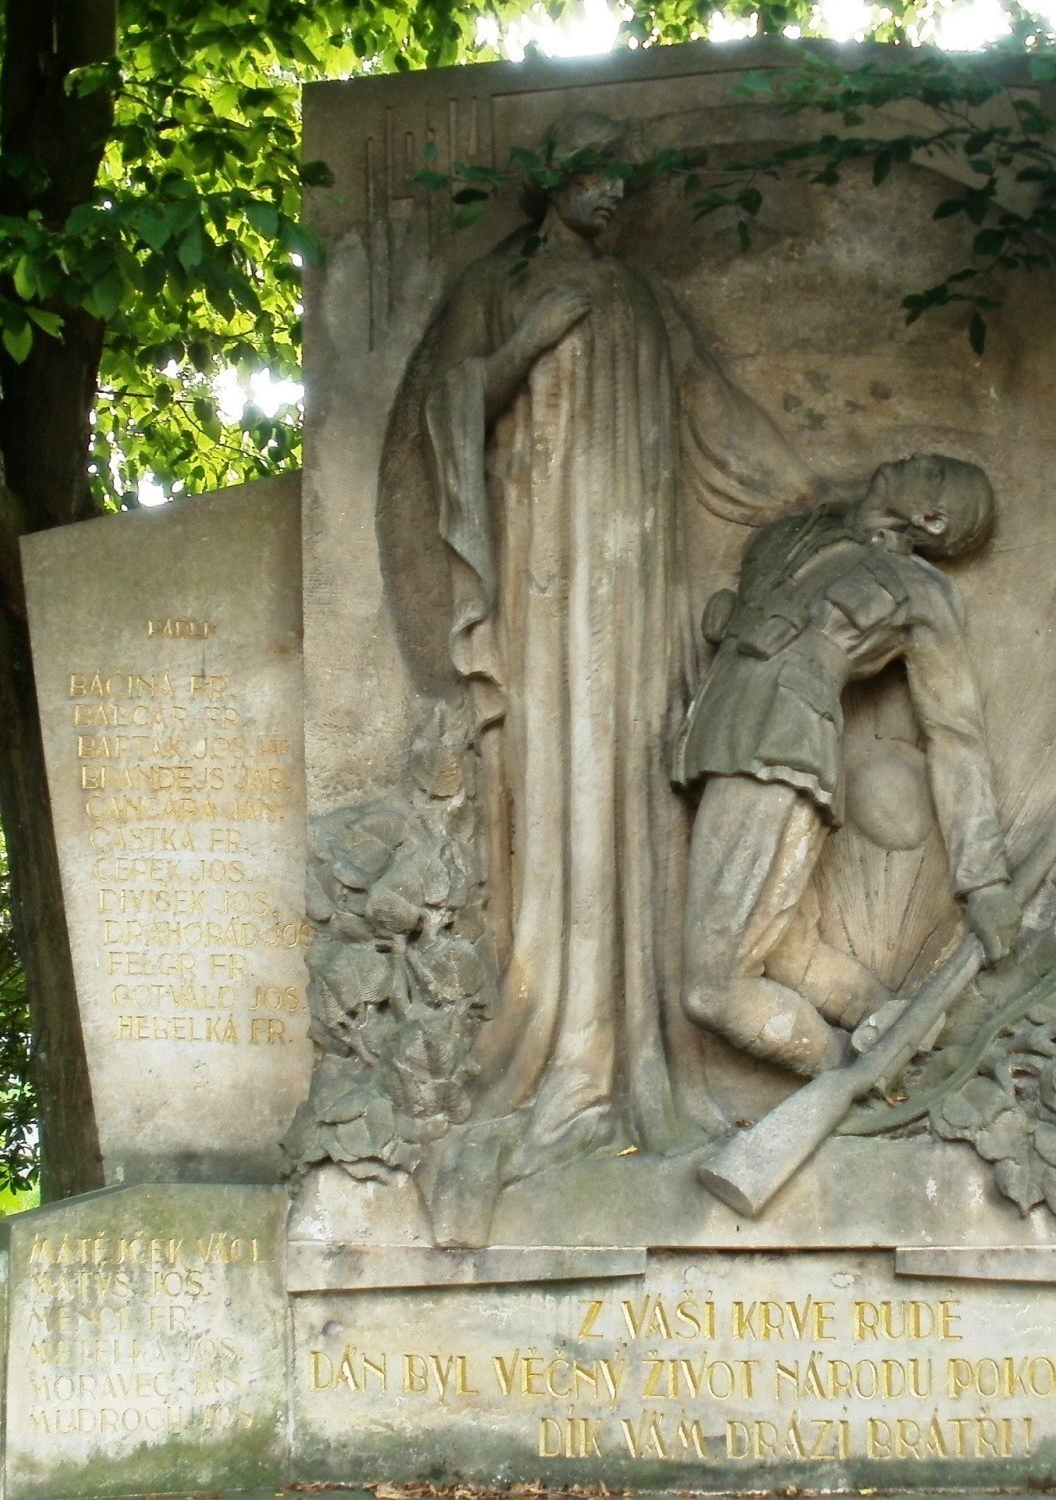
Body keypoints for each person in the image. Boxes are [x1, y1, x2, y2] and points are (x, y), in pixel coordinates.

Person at [378, 113, 827, 1178]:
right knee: (557, 780)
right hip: (543, 574)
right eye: (596, 176)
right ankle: (557, 1050)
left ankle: (636, 1059)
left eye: (624, 180)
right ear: (553, 184)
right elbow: (452, 404)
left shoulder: (643, 301)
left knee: (633, 786)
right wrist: (527, 342)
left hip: (633, 589)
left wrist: (813, 500)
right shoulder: (496, 284)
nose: (613, 195)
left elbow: (715, 423)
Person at [674, 453, 1021, 1077]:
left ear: (932, 520)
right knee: (784, 952)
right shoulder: (794, 535)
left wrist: (985, 882)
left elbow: (955, 733)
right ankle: (905, 1036)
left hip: (781, 746)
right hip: (717, 737)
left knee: (713, 989)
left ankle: (845, 1079)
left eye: (935, 474)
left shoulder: (923, 592)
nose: (918, 458)